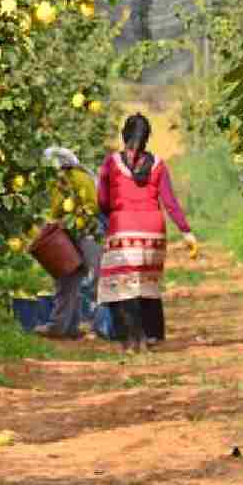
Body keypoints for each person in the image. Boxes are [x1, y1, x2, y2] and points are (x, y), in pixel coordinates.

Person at [97, 113, 198, 353]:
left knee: (121, 286)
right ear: (147, 138)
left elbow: (102, 199)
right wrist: (186, 231)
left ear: (124, 135)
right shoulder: (159, 164)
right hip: (153, 233)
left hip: (124, 230)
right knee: (146, 283)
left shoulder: (112, 163)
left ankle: (132, 339)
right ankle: (152, 336)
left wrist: (110, 214)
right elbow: (170, 201)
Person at [34, 146, 103, 340]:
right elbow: (56, 209)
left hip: (89, 230)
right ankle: (63, 326)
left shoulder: (80, 178)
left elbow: (93, 205)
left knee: (97, 274)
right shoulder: (56, 183)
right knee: (67, 277)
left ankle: (100, 324)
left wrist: (74, 216)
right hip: (69, 232)